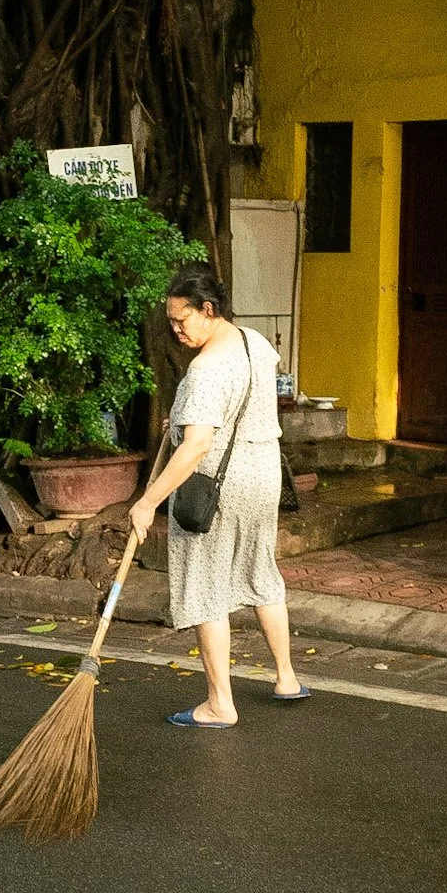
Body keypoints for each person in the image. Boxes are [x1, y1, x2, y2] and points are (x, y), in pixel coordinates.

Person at [128, 265, 308, 725]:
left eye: (180, 320)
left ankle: (219, 704)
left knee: (206, 583)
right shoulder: (255, 343)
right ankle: (286, 677)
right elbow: (249, 396)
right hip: (264, 475)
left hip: (217, 488)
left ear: (208, 311)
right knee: (260, 570)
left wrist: (148, 502)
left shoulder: (205, 370)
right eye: (170, 321)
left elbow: (198, 445)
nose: (174, 330)